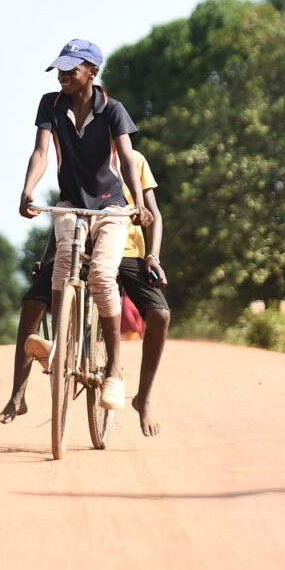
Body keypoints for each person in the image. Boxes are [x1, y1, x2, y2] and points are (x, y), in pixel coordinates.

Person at [19, 39, 153, 412]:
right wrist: (27, 191)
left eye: (71, 69)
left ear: (92, 72)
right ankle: (61, 346)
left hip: (111, 207)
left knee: (101, 277)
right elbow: (41, 151)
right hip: (70, 205)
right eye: (60, 69)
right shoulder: (51, 104)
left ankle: (114, 370)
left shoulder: (112, 110)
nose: (63, 75)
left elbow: (126, 159)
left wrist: (137, 204)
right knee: (62, 268)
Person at [116, 150, 171, 437]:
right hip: (89, 250)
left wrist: (153, 256)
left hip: (130, 254)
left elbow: (154, 216)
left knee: (160, 313)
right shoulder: (80, 151)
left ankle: (144, 397)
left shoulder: (135, 161)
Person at [0, 233, 55, 424]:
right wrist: (45, 261)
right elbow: (60, 221)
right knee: (31, 303)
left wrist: (150, 255)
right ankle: (17, 397)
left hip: (108, 255)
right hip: (67, 257)